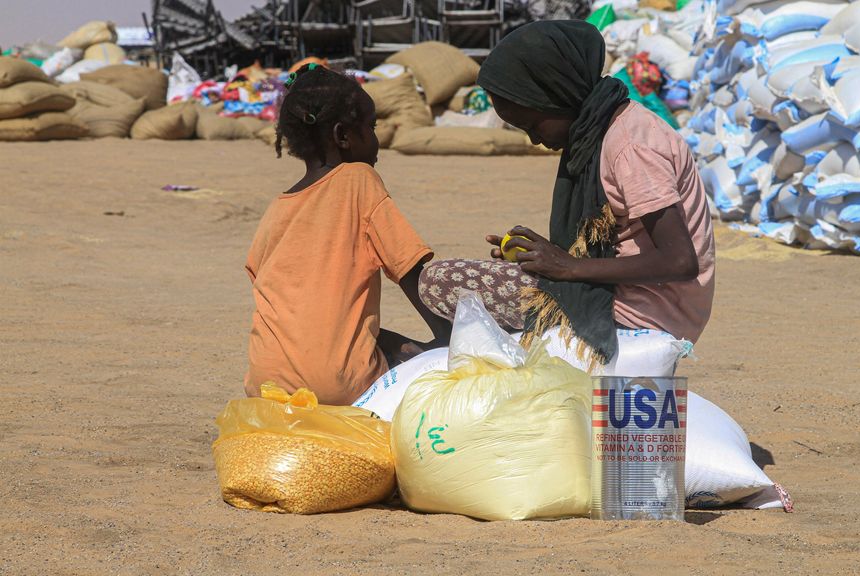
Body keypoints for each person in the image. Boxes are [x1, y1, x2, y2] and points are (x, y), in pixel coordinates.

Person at [418, 20, 715, 363]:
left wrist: (569, 266)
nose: (534, 139)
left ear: (559, 94)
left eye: (532, 125)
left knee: (440, 281)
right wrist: (542, 258)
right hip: (629, 294)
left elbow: (679, 261)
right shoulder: (605, 126)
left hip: (644, 310)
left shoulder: (630, 147)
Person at [245, 64, 450, 406]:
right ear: (343, 136)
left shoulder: (275, 210)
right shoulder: (358, 180)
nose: (376, 139)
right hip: (338, 385)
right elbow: (408, 269)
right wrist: (448, 340)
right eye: (371, 127)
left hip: (266, 383)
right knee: (419, 361)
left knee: (374, 338)